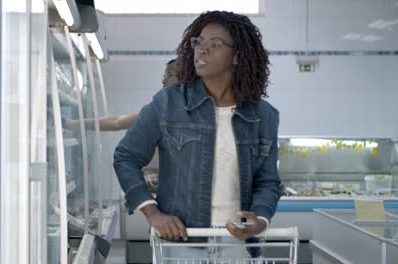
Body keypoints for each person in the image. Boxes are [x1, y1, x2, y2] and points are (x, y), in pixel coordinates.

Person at [114, 11, 281, 260]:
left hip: (235, 245)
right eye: (199, 42)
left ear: (237, 56)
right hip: (181, 243)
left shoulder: (263, 115)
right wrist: (153, 213)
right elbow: (126, 157)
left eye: (214, 45)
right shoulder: (168, 103)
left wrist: (259, 219)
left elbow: (268, 182)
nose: (201, 50)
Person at [62, 59, 179, 131]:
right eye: (164, 76)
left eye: (169, 75)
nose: (163, 81)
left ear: (184, 78)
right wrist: (70, 123)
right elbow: (116, 122)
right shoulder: (159, 113)